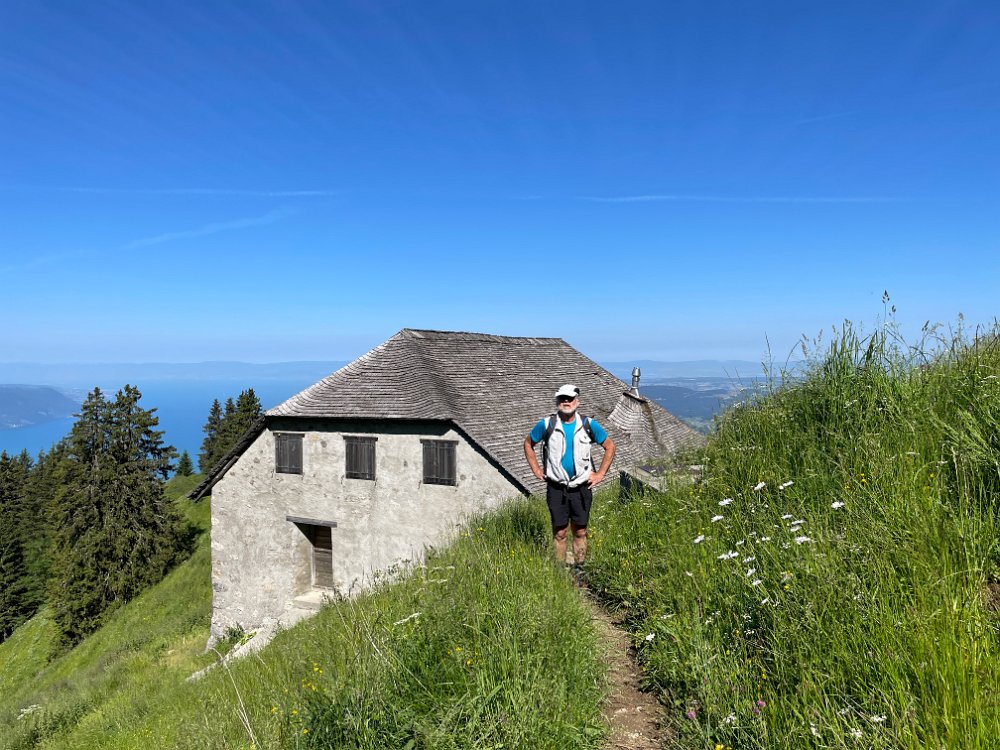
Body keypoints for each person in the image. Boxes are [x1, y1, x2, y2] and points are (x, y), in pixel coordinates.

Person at [523, 384, 616, 574]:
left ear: (577, 401)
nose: (566, 402)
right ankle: (560, 571)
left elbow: (610, 446)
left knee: (580, 531)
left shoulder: (588, 424)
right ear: (557, 401)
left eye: (570, 398)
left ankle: (579, 571)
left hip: (581, 487)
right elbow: (528, 443)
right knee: (560, 532)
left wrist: (600, 474)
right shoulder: (546, 424)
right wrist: (536, 469)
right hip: (556, 487)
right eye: (562, 398)